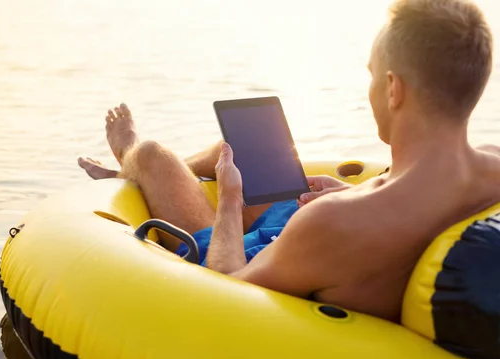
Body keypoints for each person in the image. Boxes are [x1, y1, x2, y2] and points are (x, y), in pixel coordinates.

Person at [78, 0, 500, 322]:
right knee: (250, 141)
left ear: (393, 90)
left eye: (372, 75)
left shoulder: (334, 222)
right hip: (313, 240)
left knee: (153, 155)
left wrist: (229, 199)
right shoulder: (493, 169)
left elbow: (227, 287)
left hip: (257, 257)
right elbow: (411, 208)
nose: (368, 89)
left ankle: (132, 158)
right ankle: (145, 174)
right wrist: (358, 191)